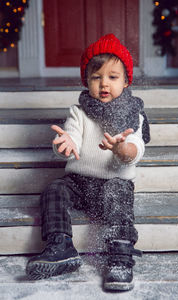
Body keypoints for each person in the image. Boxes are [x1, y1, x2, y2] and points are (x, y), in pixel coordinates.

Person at [26, 34, 150, 291]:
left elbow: (136, 149)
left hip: (114, 183)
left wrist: (121, 149)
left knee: (119, 196)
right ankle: (60, 246)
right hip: (79, 182)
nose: (104, 84)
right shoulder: (78, 112)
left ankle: (120, 258)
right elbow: (70, 136)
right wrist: (65, 145)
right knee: (54, 189)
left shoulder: (132, 114)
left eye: (113, 77)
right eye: (96, 77)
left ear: (126, 81)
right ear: (86, 81)